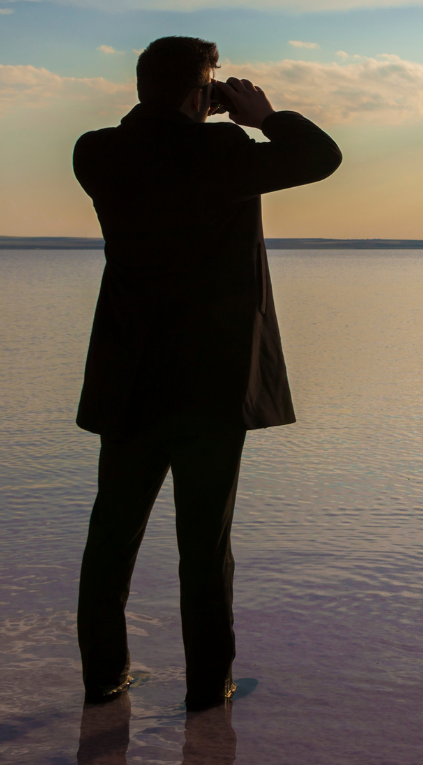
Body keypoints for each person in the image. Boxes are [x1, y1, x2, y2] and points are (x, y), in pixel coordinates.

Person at [71, 36, 341, 711]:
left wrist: (192, 104)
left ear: (140, 85)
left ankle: (104, 680)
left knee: (111, 538)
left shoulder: (95, 152)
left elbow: (155, 147)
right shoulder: (223, 153)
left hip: (128, 377)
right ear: (202, 92)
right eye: (211, 85)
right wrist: (262, 115)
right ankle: (207, 688)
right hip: (211, 385)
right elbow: (321, 158)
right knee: (204, 546)